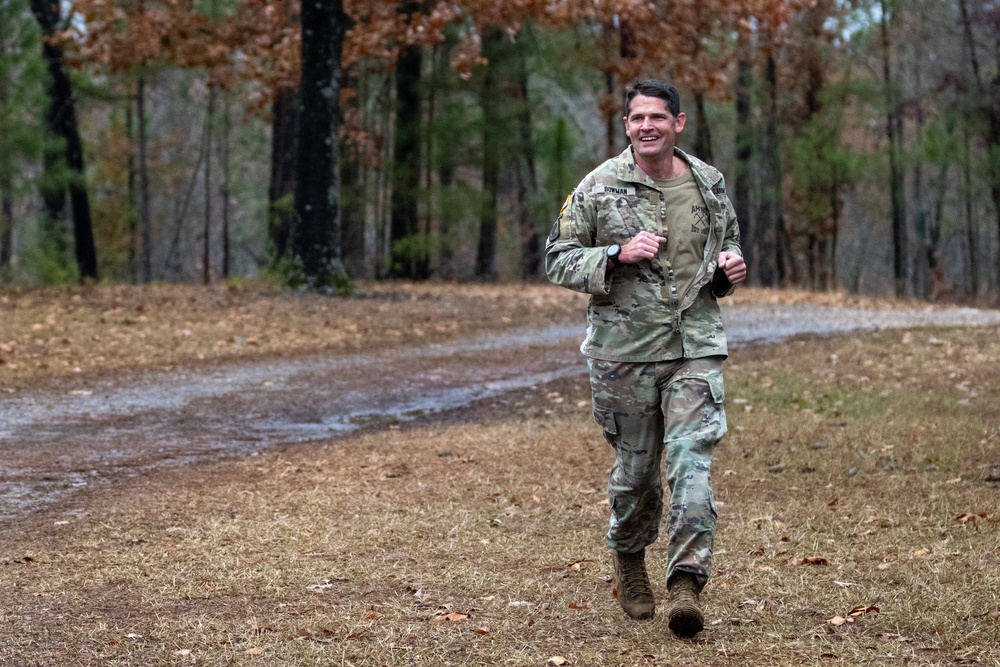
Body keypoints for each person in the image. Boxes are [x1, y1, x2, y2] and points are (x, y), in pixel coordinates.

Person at [545, 79, 746, 637]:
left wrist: (731, 271)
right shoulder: (598, 187)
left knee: (691, 462)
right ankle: (629, 557)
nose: (646, 127)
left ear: (678, 122)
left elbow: (724, 250)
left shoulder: (709, 183)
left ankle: (685, 581)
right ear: (627, 125)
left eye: (657, 117)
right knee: (636, 478)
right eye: (637, 118)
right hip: (623, 355)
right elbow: (556, 259)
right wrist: (615, 253)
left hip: (694, 349)